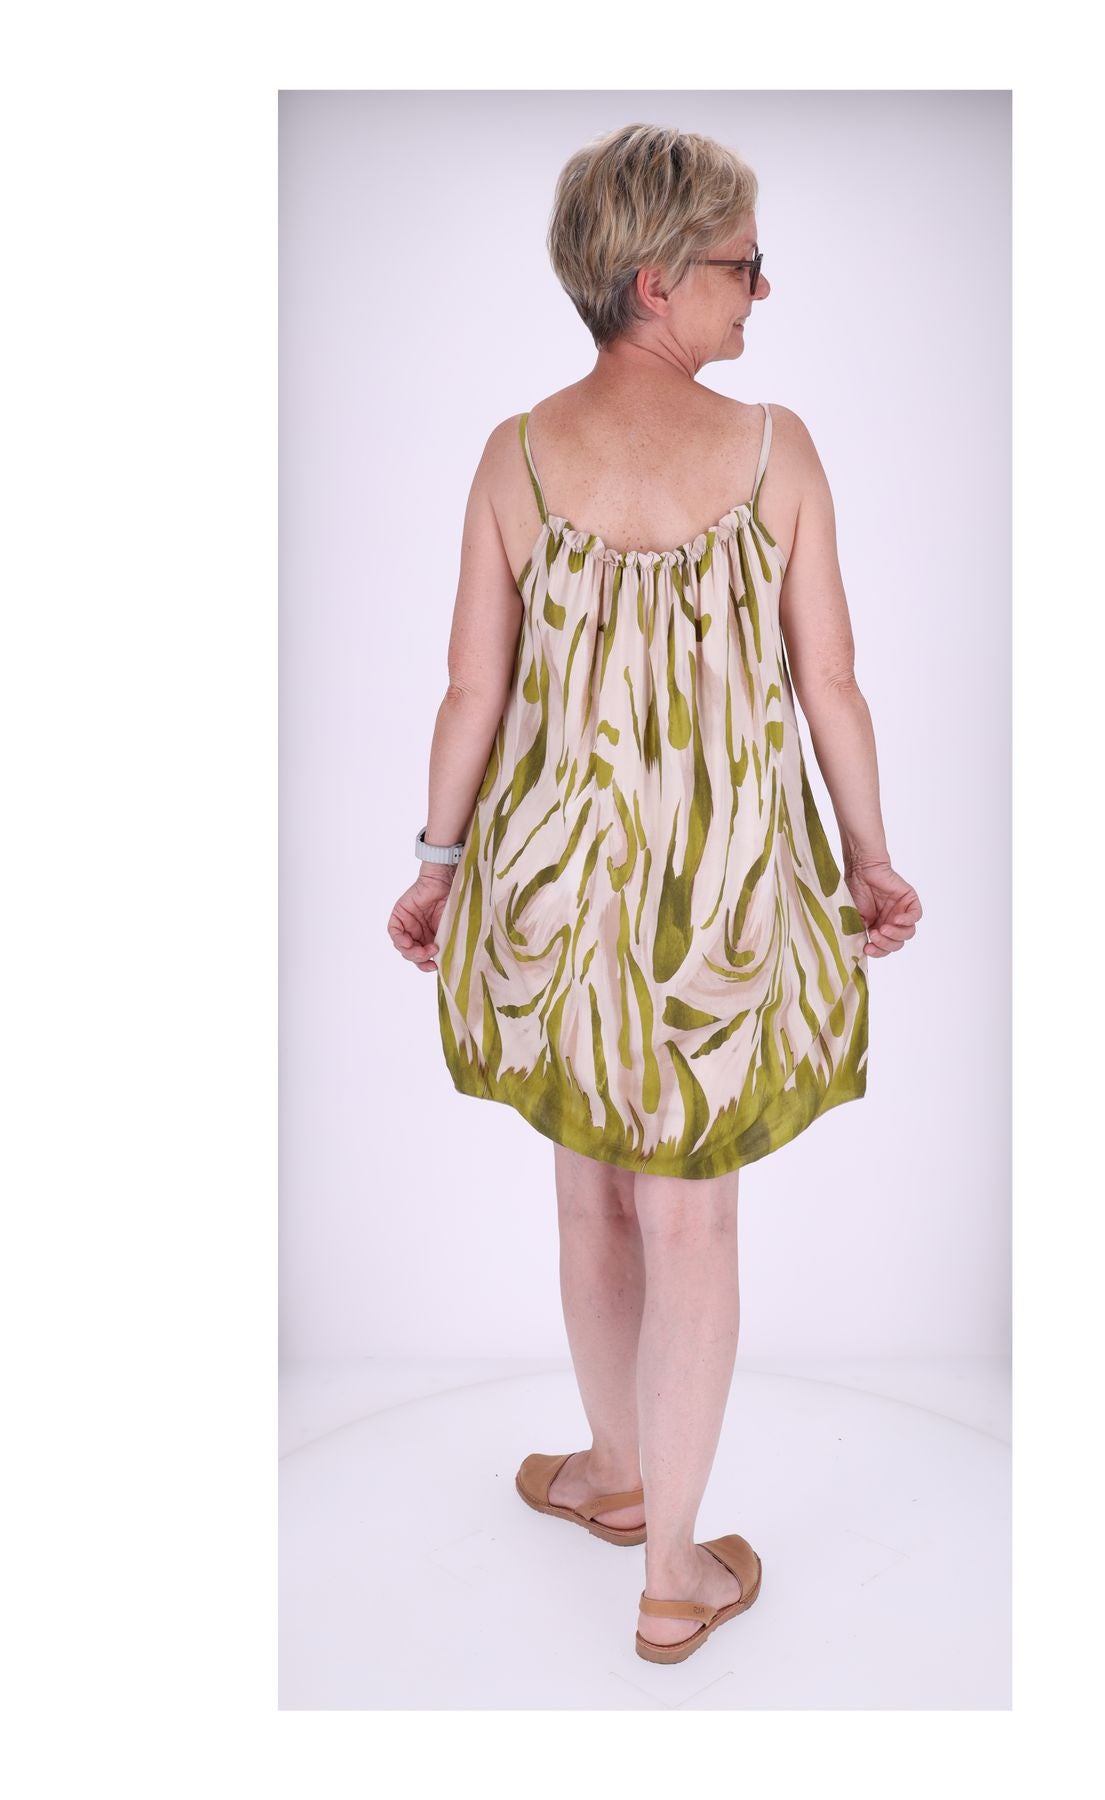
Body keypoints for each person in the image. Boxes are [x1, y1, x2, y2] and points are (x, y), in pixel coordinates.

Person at [387, 122, 921, 1664]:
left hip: (553, 894)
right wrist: (868, 855)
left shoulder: (514, 454)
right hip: (722, 905)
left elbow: (470, 691)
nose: (763, 290)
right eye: (744, 263)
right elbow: (830, 681)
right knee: (692, 1228)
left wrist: (435, 864)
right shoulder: (772, 451)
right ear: (655, 280)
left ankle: (617, 1474)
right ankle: (670, 1560)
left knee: (585, 1190)